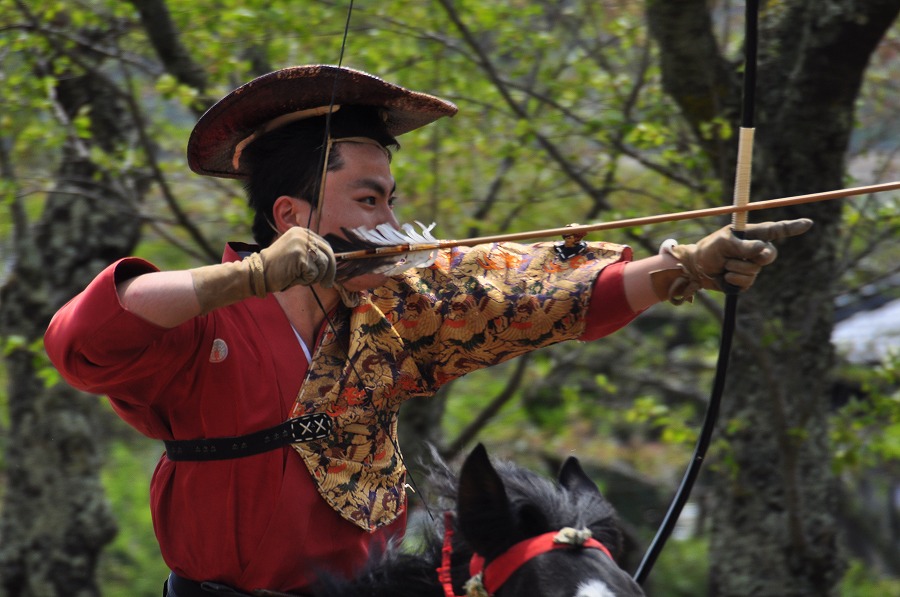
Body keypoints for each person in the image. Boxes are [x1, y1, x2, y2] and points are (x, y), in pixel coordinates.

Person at [43, 65, 811, 596]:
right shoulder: (201, 322)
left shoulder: (395, 312)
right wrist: (248, 277)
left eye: (390, 200)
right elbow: (81, 339)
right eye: (369, 200)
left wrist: (686, 267)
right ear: (291, 216)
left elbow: (529, 294)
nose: (391, 223)